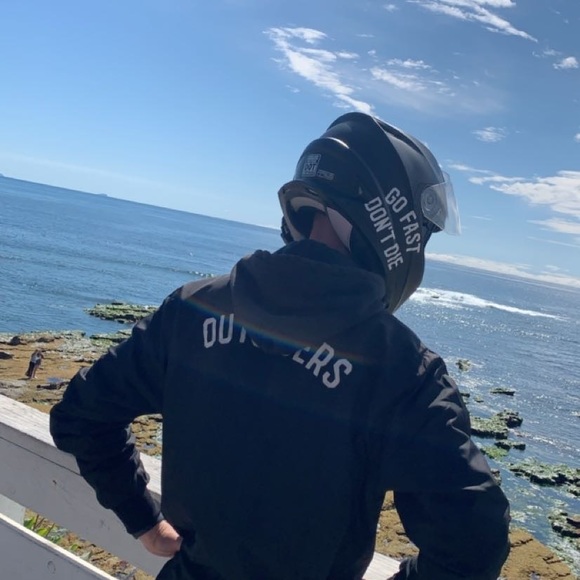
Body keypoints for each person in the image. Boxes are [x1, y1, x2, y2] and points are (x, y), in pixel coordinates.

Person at [50, 112, 510, 579]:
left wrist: (144, 521)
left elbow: (81, 415)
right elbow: (474, 543)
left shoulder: (192, 308)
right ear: (392, 227)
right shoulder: (401, 369)